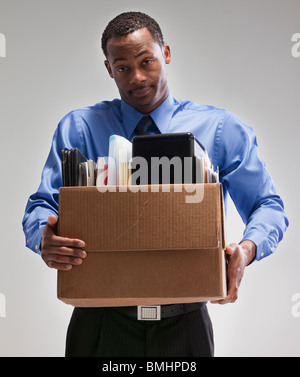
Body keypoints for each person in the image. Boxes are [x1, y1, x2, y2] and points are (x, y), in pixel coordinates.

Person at [22, 11, 288, 357]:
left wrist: (246, 250)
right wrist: (44, 234)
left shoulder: (220, 129)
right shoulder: (80, 128)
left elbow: (268, 206)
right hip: (99, 324)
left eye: (146, 61)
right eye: (122, 68)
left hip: (185, 325)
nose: (137, 77)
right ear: (108, 69)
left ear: (166, 53)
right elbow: (41, 205)